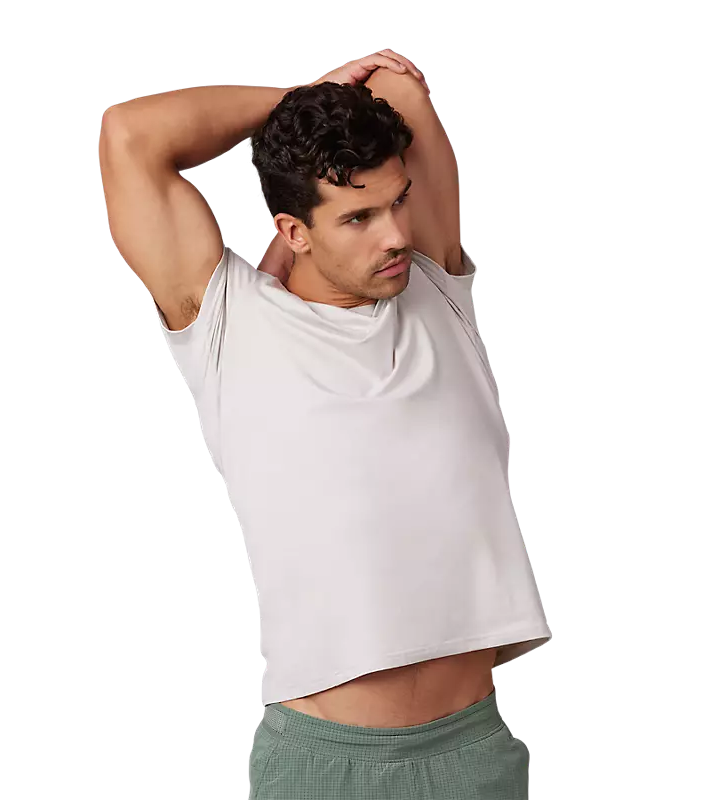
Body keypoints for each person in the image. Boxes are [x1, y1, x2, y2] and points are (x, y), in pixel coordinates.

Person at [99, 48, 552, 799]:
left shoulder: (436, 287)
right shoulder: (229, 322)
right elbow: (129, 133)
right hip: (326, 767)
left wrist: (331, 114)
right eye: (358, 218)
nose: (394, 235)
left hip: (473, 756)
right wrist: (298, 95)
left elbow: (396, 84)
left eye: (398, 202)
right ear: (294, 230)